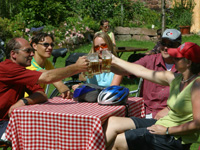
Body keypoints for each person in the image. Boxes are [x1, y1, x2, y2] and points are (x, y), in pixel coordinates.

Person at [104, 42, 200, 150]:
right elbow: (141, 71)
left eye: (177, 58)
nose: (173, 59)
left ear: (188, 63)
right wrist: (114, 59)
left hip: (175, 137)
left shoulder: (197, 86)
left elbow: (197, 124)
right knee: (112, 122)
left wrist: (167, 130)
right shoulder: (175, 78)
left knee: (118, 141)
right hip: (163, 124)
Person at [0, 37, 88, 139]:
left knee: (48, 131)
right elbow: (47, 77)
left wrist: (23, 101)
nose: (32, 54)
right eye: (28, 51)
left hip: (11, 119)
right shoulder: (7, 69)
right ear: (13, 54)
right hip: (2, 123)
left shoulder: (21, 72)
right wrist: (76, 67)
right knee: (41, 135)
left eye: (32, 51)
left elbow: (42, 94)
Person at [117, 29, 182, 119]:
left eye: (171, 44)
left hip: (170, 117)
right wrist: (107, 63)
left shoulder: (185, 66)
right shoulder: (150, 60)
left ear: (179, 46)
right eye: (163, 43)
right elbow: (126, 70)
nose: (166, 47)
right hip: (145, 113)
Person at [26, 32, 72, 98]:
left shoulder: (47, 63)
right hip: (24, 104)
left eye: (51, 45)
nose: (50, 48)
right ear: (34, 46)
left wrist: (65, 90)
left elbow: (56, 80)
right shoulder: (29, 65)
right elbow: (49, 76)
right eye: (46, 44)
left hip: (37, 102)